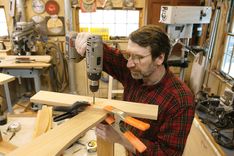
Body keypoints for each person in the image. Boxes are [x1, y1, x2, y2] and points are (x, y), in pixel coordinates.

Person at [75, 25, 195, 156]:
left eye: (139, 57)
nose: (129, 64)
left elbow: (166, 153)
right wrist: (90, 41)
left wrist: (121, 138)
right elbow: (109, 56)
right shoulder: (135, 71)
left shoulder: (180, 100)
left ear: (160, 58)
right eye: (129, 55)